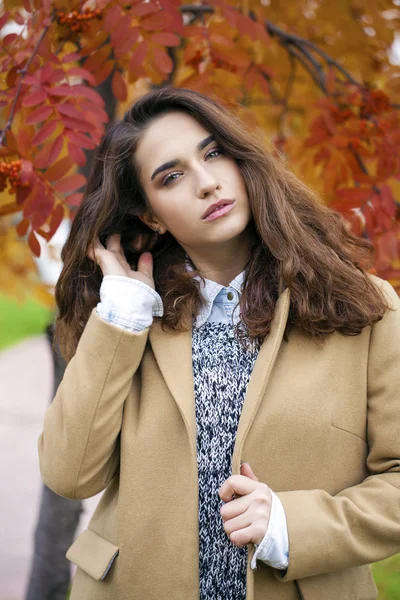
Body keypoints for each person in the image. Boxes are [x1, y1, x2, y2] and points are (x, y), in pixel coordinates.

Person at [38, 86, 400, 600]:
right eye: (172, 176)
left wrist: (291, 527)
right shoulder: (130, 319)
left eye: (214, 154)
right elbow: (69, 474)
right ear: (151, 215)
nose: (207, 183)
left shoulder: (363, 308)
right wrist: (120, 316)